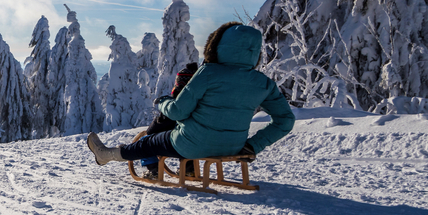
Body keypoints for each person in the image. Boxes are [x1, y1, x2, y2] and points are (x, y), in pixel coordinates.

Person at [87, 23, 295, 176]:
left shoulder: (208, 73)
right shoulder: (262, 82)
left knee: (147, 142)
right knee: (168, 138)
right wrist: (253, 145)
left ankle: (106, 155)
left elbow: (178, 111)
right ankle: (189, 171)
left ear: (217, 46)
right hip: (233, 148)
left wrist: (162, 102)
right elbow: (285, 120)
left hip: (191, 145)